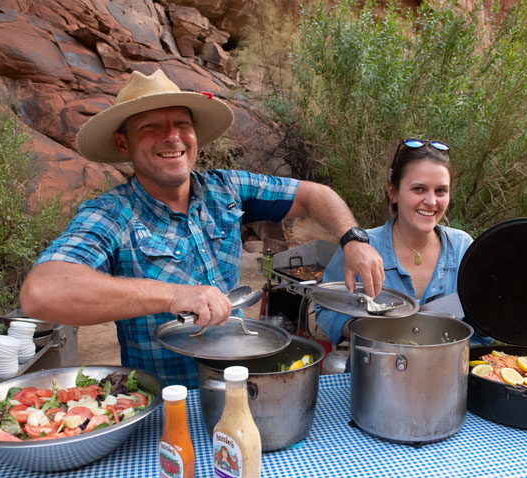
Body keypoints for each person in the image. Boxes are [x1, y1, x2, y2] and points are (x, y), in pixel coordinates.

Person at [20, 69, 384, 388]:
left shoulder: (226, 189)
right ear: (122, 142)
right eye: (151, 127)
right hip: (169, 403)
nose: (172, 137)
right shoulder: (112, 214)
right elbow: (43, 292)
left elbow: (314, 195)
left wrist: (353, 238)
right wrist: (173, 296)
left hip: (242, 383)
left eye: (182, 124)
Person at [315, 138, 490, 349]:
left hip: (446, 376)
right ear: (393, 192)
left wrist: (490, 319)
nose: (432, 201)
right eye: (419, 189)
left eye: (441, 191)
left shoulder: (464, 248)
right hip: (375, 374)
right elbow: (324, 309)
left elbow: (479, 325)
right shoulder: (360, 248)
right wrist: (368, 330)